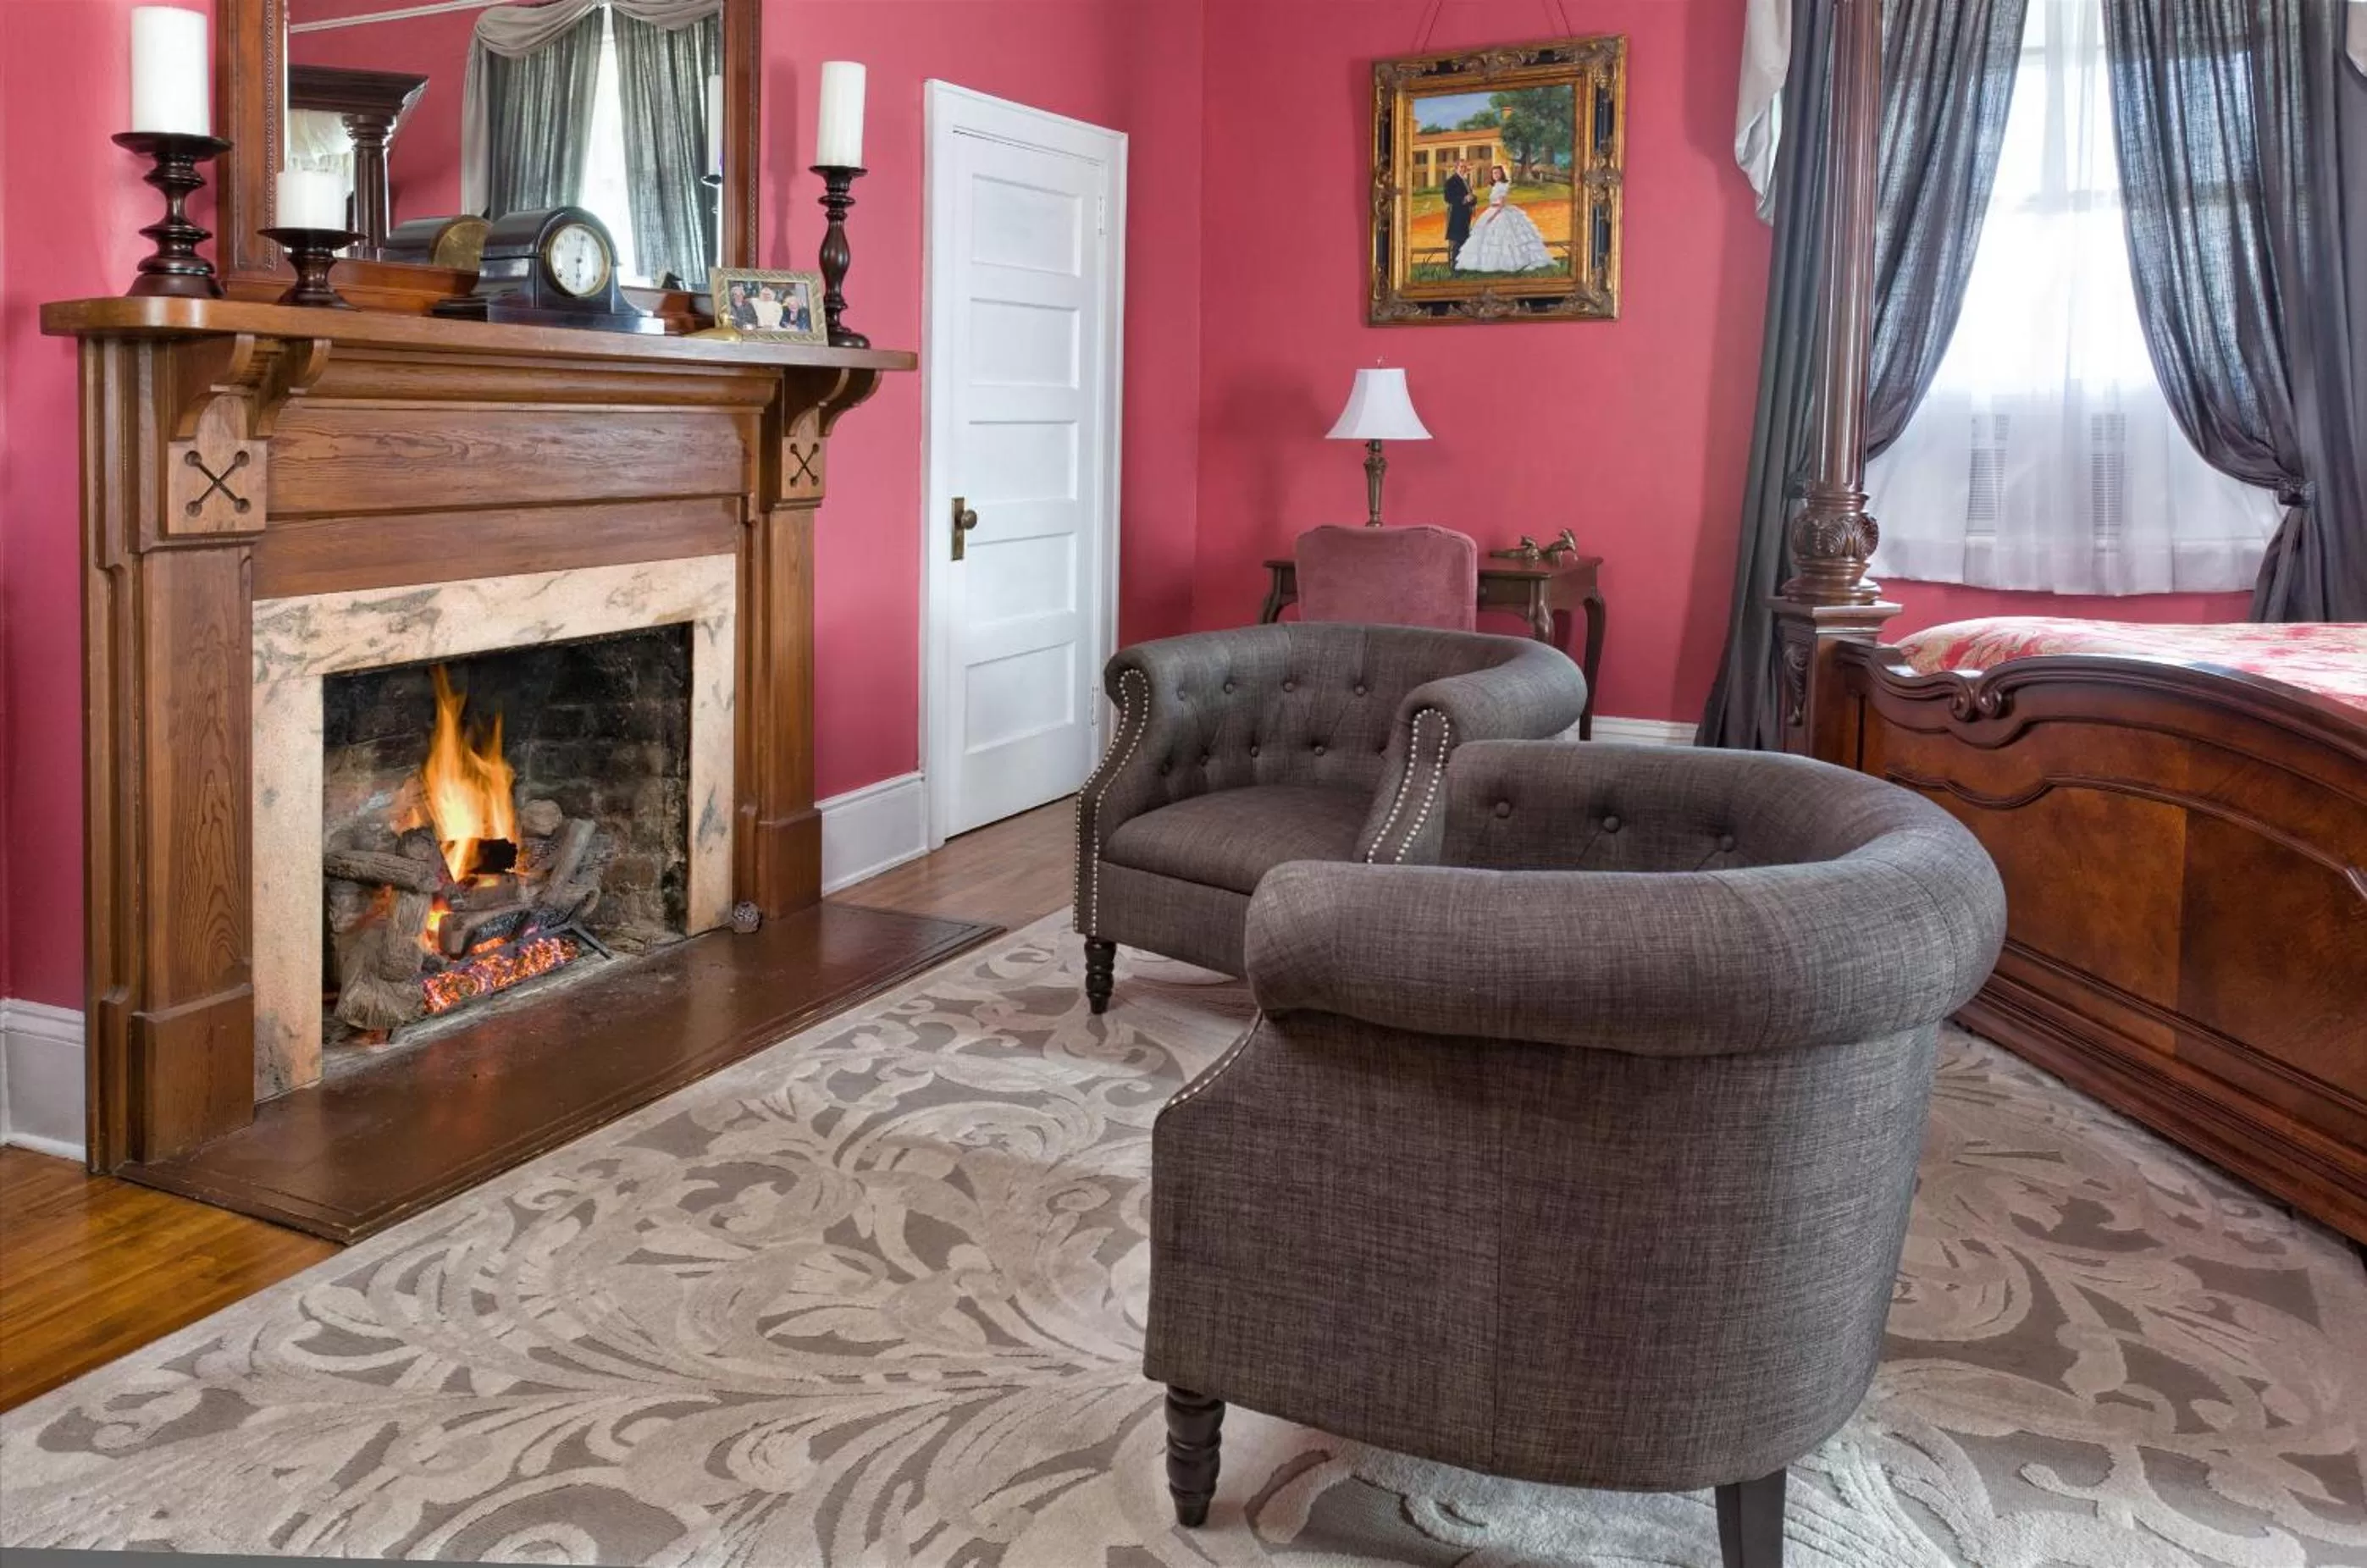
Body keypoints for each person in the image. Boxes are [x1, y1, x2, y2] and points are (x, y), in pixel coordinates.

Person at [1454, 164, 1554, 274]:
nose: (1495, 175)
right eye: (1493, 173)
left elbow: (1502, 204)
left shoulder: (1503, 185)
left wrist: (1492, 217)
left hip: (1499, 212)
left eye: (1497, 173)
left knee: (1505, 238)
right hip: (1491, 210)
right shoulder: (1495, 185)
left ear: (1501, 174)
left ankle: (1511, 263)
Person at [1441, 158, 1478, 269]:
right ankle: (1455, 268)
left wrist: (1472, 199)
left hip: (1466, 216)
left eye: (1465, 167)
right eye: (1461, 167)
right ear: (1456, 168)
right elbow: (1448, 198)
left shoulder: (1465, 181)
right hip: (1456, 216)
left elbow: (1472, 198)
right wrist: (1464, 199)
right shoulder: (1451, 181)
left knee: (1464, 240)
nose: (1463, 169)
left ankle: (1463, 265)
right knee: (1457, 241)